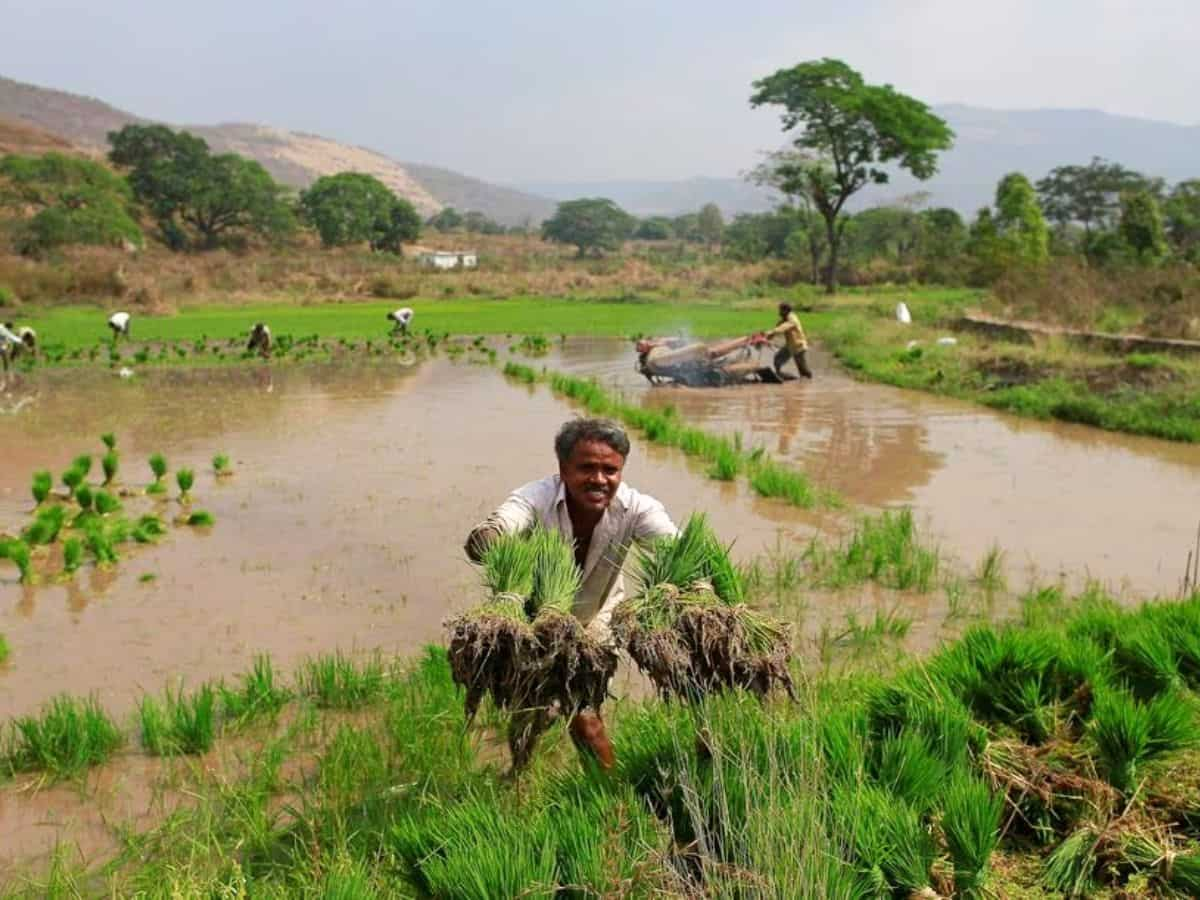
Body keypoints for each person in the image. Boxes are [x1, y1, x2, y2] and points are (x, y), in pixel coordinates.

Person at [464, 418, 678, 768]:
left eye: (610, 470)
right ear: (563, 469)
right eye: (586, 468)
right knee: (529, 707)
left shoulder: (638, 508)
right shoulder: (536, 498)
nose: (599, 479)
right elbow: (503, 523)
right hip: (534, 617)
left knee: (586, 715)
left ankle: (608, 796)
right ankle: (521, 772)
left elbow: (673, 547)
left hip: (595, 620)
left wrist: (695, 586)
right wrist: (491, 540)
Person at [767, 302, 813, 379]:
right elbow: (778, 327)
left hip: (798, 345)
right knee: (777, 358)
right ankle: (779, 374)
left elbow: (783, 327)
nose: (779, 312)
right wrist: (768, 336)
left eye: (780, 310)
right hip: (790, 345)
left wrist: (772, 332)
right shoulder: (785, 318)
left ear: (786, 310)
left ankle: (808, 379)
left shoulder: (792, 318)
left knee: (802, 368)